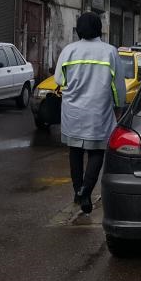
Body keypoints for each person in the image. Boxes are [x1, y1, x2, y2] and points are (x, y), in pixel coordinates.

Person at [55, 13, 126, 214]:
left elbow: (60, 80)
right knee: (97, 151)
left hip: (73, 110)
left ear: (79, 29)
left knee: (75, 151)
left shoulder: (69, 51)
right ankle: (86, 189)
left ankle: (78, 191)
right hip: (99, 110)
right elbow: (118, 87)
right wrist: (118, 108)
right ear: (99, 28)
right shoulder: (109, 52)